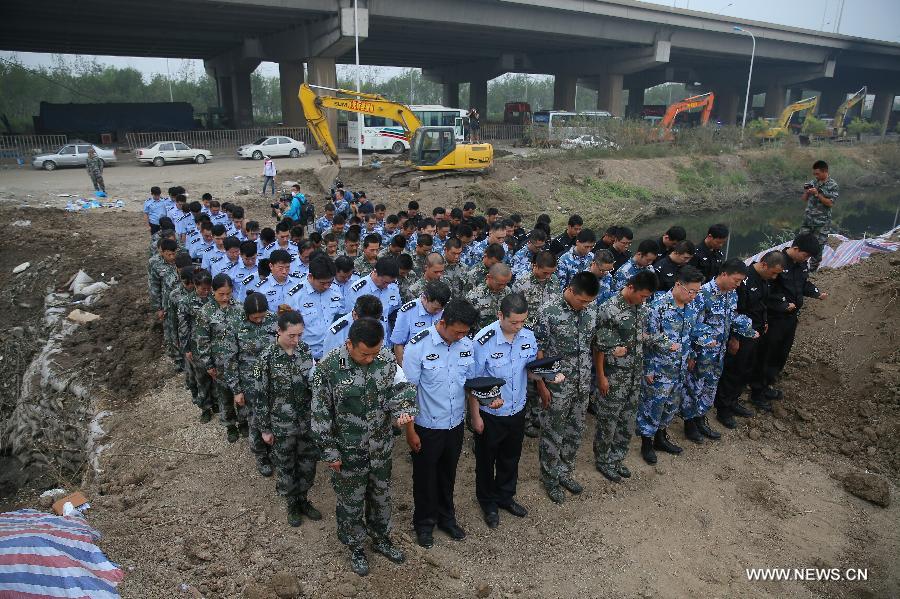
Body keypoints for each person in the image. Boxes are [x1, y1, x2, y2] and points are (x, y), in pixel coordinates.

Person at [311, 318, 417, 576]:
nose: (370, 358)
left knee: (381, 498)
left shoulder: (385, 359)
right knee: (351, 503)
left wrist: (403, 410)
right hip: (348, 454)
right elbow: (320, 414)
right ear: (349, 344)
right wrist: (329, 452)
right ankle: (356, 546)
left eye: (375, 352)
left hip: (380, 450)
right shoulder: (328, 368)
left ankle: (381, 538)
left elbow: (401, 389)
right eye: (364, 354)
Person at [402, 299, 480, 548]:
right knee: (425, 478)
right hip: (427, 426)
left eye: (465, 332)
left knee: (448, 474)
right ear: (443, 323)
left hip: (454, 424)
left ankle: (447, 518)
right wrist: (410, 431)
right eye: (457, 331)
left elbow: (470, 384)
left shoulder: (466, 345)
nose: (461, 336)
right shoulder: (417, 347)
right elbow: (407, 392)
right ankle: (424, 523)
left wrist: (478, 412)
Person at [470, 293, 538, 528]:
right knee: (486, 460)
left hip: (516, 409)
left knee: (511, 457)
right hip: (491, 414)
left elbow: (529, 371)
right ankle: (487, 502)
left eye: (522, 322)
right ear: (500, 316)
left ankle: (505, 496)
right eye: (514, 322)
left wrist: (546, 376)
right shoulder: (482, 341)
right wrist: (476, 415)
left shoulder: (528, 336)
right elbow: (473, 383)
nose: (519, 327)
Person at [593, 271, 669, 482]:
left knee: (627, 419)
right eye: (642, 295)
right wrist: (601, 376)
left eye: (647, 297)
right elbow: (598, 347)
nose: (644, 300)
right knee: (608, 420)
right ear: (631, 287)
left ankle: (617, 458)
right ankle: (603, 460)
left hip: (634, 374)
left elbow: (638, 336)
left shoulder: (640, 307)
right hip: (614, 375)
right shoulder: (609, 310)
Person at [533, 272, 600, 503]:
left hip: (582, 385)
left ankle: (565, 472)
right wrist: (541, 385)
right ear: (570, 290)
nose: (586, 306)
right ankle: (550, 478)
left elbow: (592, 344)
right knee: (553, 432)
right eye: (582, 301)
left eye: (589, 302)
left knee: (576, 430)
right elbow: (538, 352)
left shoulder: (591, 310)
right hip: (556, 386)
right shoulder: (548, 311)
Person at [252, 311, 321, 528]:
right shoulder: (266, 358)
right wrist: (265, 429)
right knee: (285, 466)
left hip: (306, 422)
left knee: (308, 464)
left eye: (300, 335)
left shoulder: (304, 351)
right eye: (292, 335)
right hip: (282, 425)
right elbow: (260, 396)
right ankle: (292, 503)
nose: (296, 340)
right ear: (279, 331)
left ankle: (303, 499)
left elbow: (312, 384)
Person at [636, 266, 709, 466]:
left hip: (680, 368)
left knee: (670, 406)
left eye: (697, 292)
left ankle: (661, 437)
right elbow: (646, 338)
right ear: (678, 285)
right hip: (659, 369)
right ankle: (646, 443)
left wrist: (692, 354)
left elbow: (691, 334)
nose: (694, 295)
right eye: (691, 291)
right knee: (653, 406)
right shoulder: (657, 307)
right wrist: (648, 369)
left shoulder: (691, 308)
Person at [681, 259, 758, 443]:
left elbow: (730, 318)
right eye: (736, 280)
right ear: (724, 274)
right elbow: (692, 326)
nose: (737, 284)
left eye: (740, 282)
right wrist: (691, 354)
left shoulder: (731, 294)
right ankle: (689, 424)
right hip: (701, 353)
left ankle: (701, 418)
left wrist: (740, 333)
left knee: (710, 387)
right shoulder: (702, 294)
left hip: (719, 353)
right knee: (693, 388)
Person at [752, 233, 827, 407]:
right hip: (774, 316)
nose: (806, 259)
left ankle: (767, 383)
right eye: (805, 255)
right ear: (796, 249)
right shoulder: (777, 262)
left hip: (791, 317)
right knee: (767, 352)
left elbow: (802, 284)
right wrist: (782, 304)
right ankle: (757, 390)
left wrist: (816, 293)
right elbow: (767, 290)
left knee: (781, 352)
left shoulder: (801, 265)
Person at [714, 251, 785, 427]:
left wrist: (765, 320)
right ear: (764, 264)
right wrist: (735, 338)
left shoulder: (763, 280)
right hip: (742, 334)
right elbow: (738, 312)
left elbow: (762, 303)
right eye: (774, 272)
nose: (774, 277)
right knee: (734, 371)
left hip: (756, 332)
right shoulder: (744, 281)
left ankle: (734, 401)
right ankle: (723, 409)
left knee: (746, 370)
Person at [223, 293, 279, 477]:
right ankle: (261, 456)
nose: (260, 320)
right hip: (250, 384)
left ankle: (274, 451)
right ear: (246, 314)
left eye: (262, 316)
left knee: (274, 416)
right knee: (255, 421)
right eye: (255, 318)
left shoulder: (273, 320)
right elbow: (230, 360)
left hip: (273, 381)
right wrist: (236, 390)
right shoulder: (236, 326)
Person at [510, 250, 561, 437]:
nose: (548, 276)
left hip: (548, 338)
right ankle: (526, 419)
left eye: (551, 272)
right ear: (535, 266)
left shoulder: (554, 282)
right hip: (526, 339)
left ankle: (538, 414)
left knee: (546, 376)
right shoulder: (522, 284)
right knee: (530, 381)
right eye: (545, 272)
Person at [194, 274, 245, 443]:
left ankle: (244, 422)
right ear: (213, 292)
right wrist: (208, 364)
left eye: (228, 294)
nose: (225, 298)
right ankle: (230, 425)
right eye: (221, 294)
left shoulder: (239, 307)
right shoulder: (205, 312)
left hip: (239, 362)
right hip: (219, 363)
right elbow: (202, 341)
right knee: (224, 396)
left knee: (241, 394)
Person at [178, 269, 213, 421]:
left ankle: (217, 401)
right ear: (195, 286)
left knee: (216, 376)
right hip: (196, 344)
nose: (205, 291)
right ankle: (205, 407)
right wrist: (186, 349)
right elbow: (183, 326)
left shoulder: (214, 298)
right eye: (202, 288)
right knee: (201, 378)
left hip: (215, 343)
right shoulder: (186, 302)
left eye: (208, 288)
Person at [295, 256, 345, 360]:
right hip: (308, 356)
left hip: (334, 353)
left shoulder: (335, 290)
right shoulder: (296, 296)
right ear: (310, 277)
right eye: (322, 283)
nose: (327, 286)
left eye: (330, 282)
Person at [392, 281, 451, 363]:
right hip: (415, 362)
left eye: (441, 309)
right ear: (424, 298)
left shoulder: (447, 311)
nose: (438, 312)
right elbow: (398, 344)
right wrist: (405, 370)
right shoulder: (408, 311)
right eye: (435, 308)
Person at [799, 160, 839, 272]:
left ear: (825, 171)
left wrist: (817, 194)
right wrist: (807, 192)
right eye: (814, 174)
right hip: (808, 220)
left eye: (817, 174)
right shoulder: (813, 182)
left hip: (822, 223)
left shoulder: (832, 185)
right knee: (801, 243)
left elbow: (830, 203)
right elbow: (803, 200)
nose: (816, 176)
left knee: (817, 247)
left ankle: (812, 271)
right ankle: (800, 268)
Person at [466, 263, 513, 331]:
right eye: (499, 284)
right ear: (489, 277)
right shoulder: (473, 296)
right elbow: (468, 323)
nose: (503, 287)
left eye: (506, 283)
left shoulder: (507, 291)